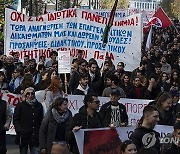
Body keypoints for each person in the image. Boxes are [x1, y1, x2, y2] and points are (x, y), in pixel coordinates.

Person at [13, 87, 44, 154]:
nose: (30, 95)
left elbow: (41, 119)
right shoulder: (20, 105)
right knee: (23, 151)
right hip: (24, 135)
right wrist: (19, 130)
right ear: (25, 95)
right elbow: (16, 119)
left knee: (35, 151)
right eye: (28, 94)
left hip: (35, 134)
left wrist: (39, 130)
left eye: (32, 93)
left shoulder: (39, 105)